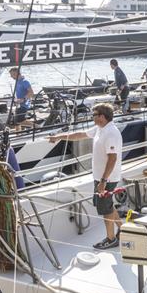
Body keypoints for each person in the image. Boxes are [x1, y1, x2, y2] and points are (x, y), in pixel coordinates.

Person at [48, 103, 123, 249]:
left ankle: (111, 238)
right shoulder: (100, 129)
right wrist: (59, 137)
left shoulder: (111, 133)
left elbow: (112, 158)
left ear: (101, 116)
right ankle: (123, 228)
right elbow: (80, 135)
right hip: (101, 177)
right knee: (106, 205)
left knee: (105, 209)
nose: (92, 117)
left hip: (107, 179)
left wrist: (103, 181)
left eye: (94, 115)